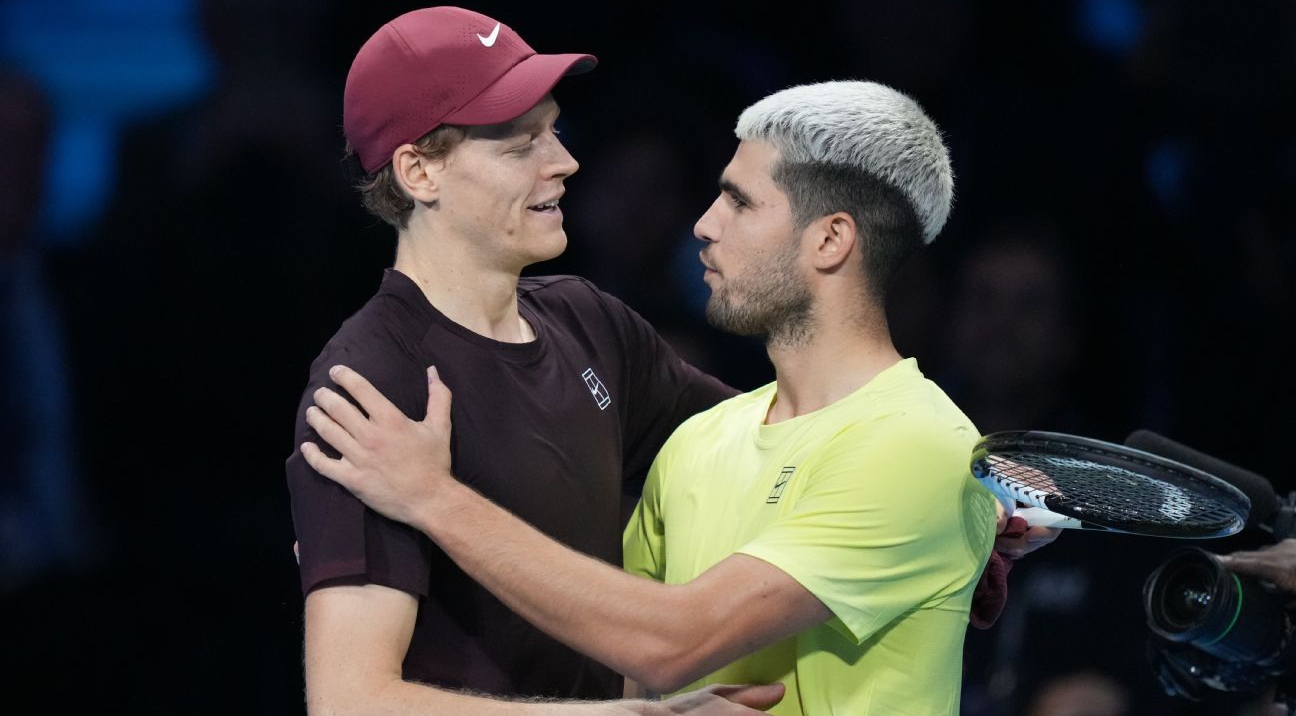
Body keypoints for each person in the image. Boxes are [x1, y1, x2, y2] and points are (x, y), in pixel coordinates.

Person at [303, 80, 1007, 715]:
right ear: (417, 171)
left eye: (739, 201)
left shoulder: (918, 445)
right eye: (521, 143)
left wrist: (432, 497)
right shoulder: (699, 439)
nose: (703, 224)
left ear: (830, 240)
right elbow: (623, 658)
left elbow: (669, 642)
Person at [285, 6, 784, 716]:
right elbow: (352, 701)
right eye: (522, 143)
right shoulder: (370, 385)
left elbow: (774, 440)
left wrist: (939, 484)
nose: (564, 161)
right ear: (419, 170)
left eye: (552, 129)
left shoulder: (589, 320)